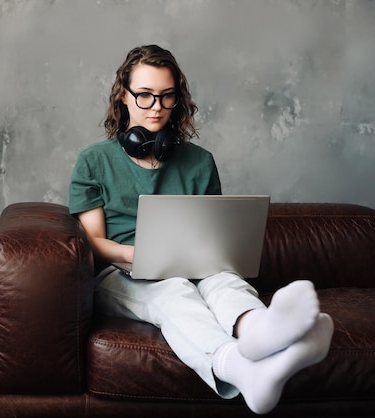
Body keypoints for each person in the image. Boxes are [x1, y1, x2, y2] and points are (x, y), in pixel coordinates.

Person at [68, 44, 334, 415]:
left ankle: (260, 333)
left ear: (178, 98)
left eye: (166, 96)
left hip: (192, 267)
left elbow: (213, 236)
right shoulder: (94, 160)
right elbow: (94, 242)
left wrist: (208, 261)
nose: (156, 106)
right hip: (120, 273)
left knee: (224, 278)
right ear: (123, 96)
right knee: (173, 290)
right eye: (144, 96)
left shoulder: (200, 162)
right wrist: (141, 256)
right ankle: (241, 370)